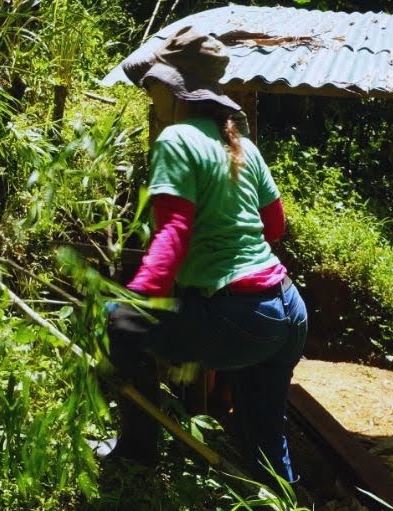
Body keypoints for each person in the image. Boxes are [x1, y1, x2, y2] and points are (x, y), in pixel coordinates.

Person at [102, 27, 308, 486]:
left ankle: (137, 452)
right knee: (265, 438)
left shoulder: (176, 139)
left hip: (239, 313)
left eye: (152, 84)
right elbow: (274, 227)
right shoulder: (244, 147)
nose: (149, 94)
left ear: (172, 88)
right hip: (287, 310)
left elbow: (173, 232)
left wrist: (136, 303)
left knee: (118, 323)